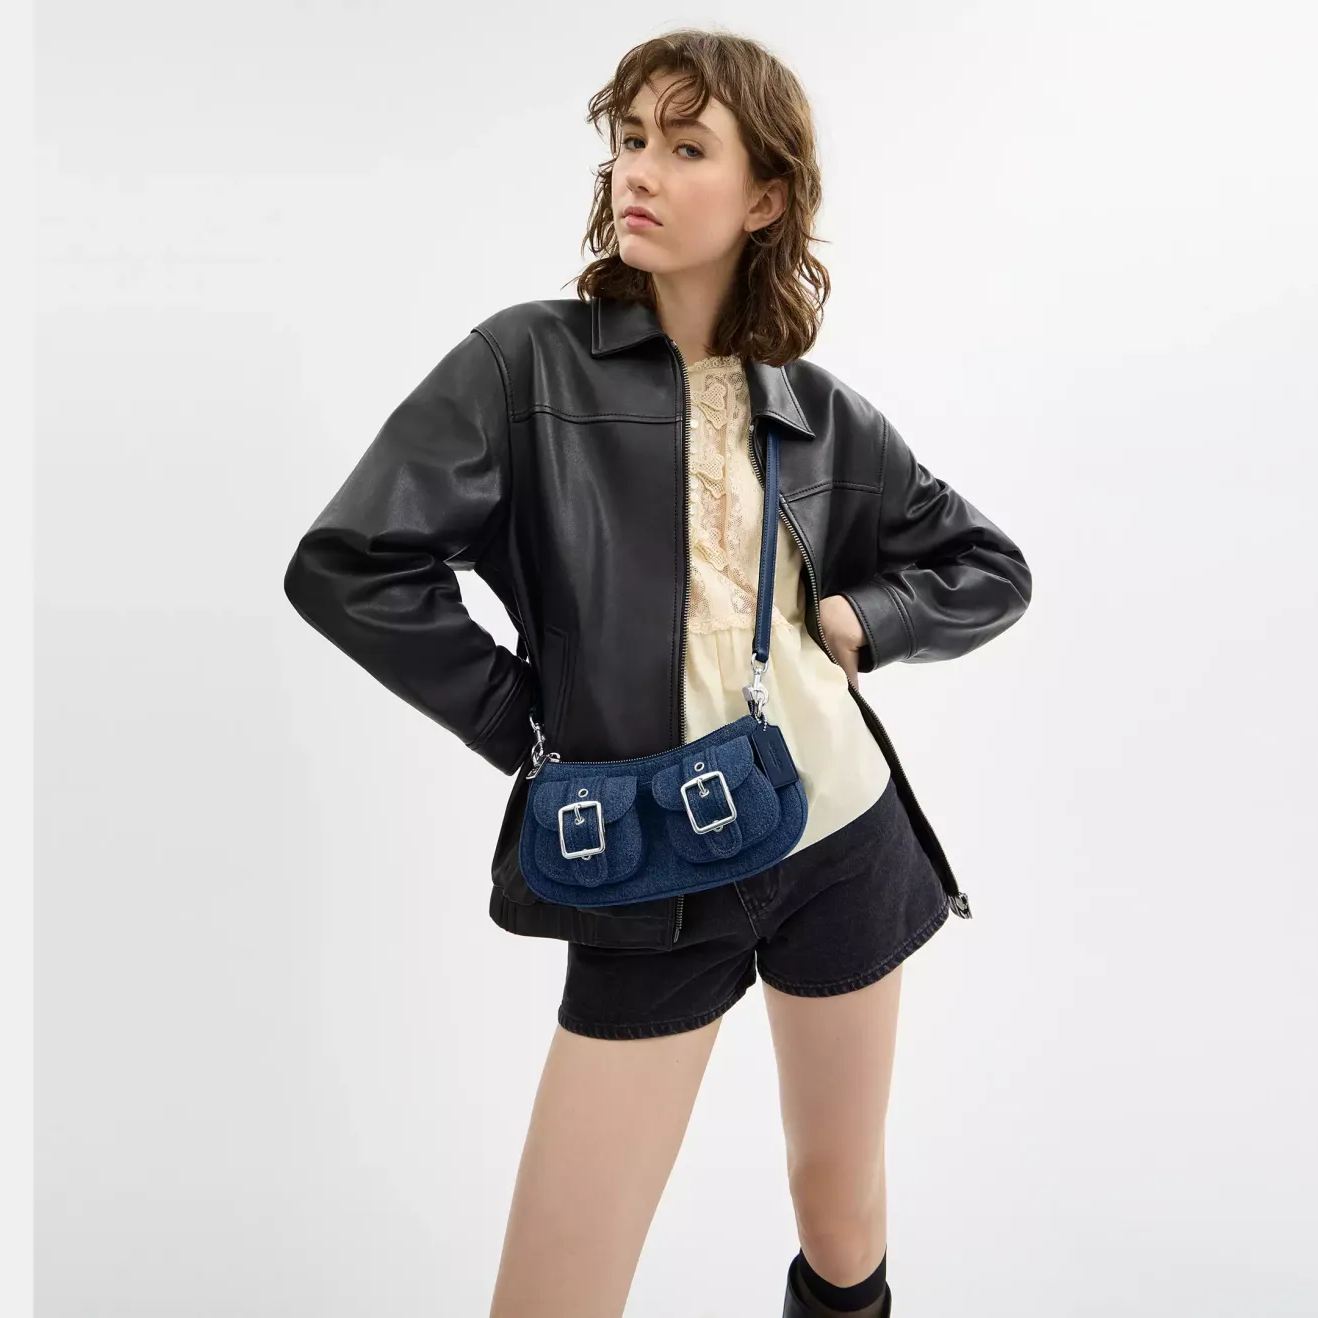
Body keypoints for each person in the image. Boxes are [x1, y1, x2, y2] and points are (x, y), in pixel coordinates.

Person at [283, 28, 1033, 1318]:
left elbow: (991, 566)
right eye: (630, 140)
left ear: (765, 198)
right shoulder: (523, 365)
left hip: (843, 839)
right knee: (556, 1285)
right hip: (646, 857)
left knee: (842, 1217)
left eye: (687, 147)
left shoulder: (818, 411)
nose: (640, 170)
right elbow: (350, 563)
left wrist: (867, 617)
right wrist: (523, 718)